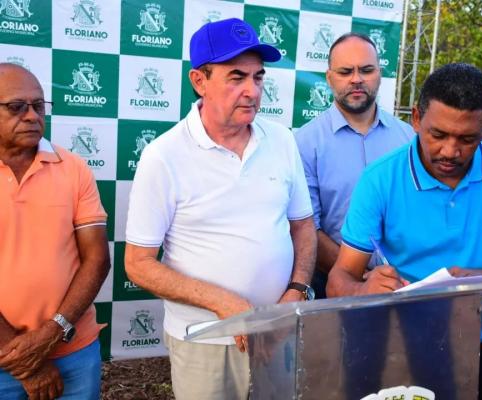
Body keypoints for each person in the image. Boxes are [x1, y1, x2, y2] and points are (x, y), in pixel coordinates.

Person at [326, 63, 482, 400]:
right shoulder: (380, 178)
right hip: (394, 336)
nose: (450, 151)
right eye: (438, 135)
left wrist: (464, 282)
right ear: (417, 119)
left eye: (467, 139)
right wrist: (365, 291)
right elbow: (339, 280)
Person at [124, 18, 317, 400]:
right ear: (199, 81)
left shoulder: (281, 140)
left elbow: (304, 227)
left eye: (258, 78)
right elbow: (138, 264)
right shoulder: (163, 156)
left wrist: (296, 290)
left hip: (277, 332)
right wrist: (221, 302)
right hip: (205, 342)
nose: (252, 91)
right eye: (236, 77)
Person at [0, 63, 110, 399]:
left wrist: (53, 331)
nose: (32, 116)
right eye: (17, 107)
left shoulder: (73, 169)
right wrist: (25, 360)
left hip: (73, 349)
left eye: (39, 106)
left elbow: (97, 260)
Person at [295, 33, 414, 298]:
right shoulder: (304, 143)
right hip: (331, 286)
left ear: (379, 74)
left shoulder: (408, 139)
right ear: (329, 78)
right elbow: (307, 228)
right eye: (346, 71)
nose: (356, 79)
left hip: (403, 285)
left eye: (366, 70)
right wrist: (358, 276)